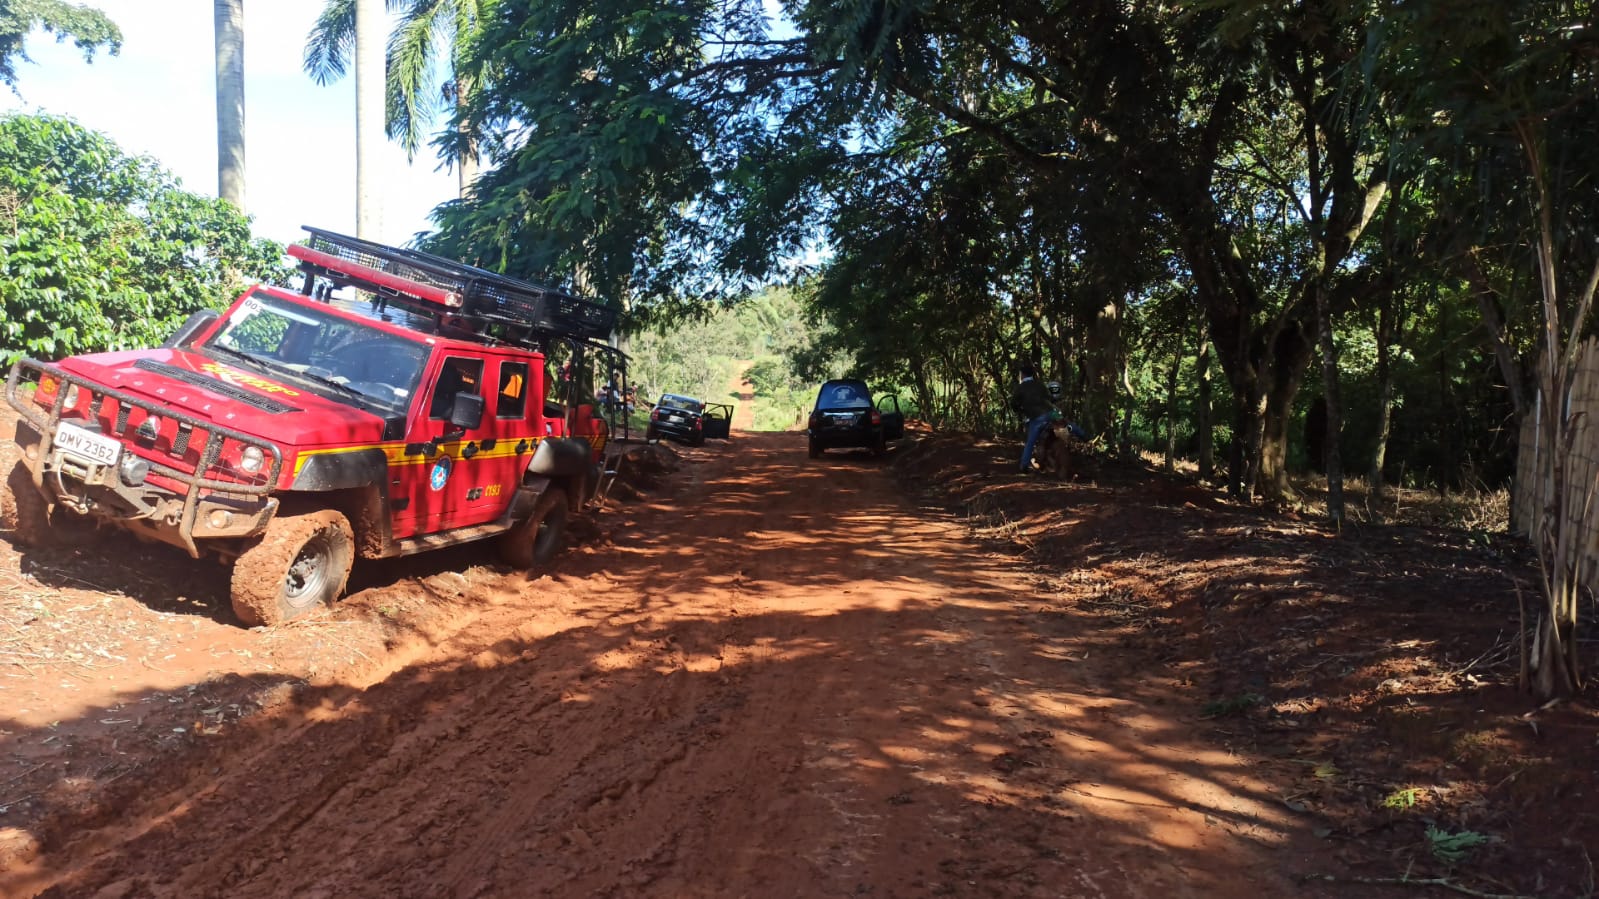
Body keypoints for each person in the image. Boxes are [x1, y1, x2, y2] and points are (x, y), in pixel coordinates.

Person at [1010, 363, 1055, 474]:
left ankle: (1024, 465)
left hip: (1035, 418)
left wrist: (1020, 410)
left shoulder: (1021, 387)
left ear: (1022, 375)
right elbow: (1050, 398)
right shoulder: (1040, 385)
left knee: (1031, 442)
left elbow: (1013, 403)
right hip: (1049, 415)